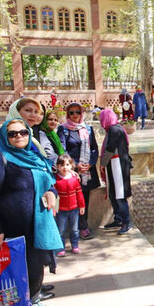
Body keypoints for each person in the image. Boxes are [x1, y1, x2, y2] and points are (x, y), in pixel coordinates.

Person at [0, 119, 59, 306]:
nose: (19, 136)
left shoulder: (34, 156)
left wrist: (51, 192)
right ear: (5, 137)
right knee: (12, 269)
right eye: (12, 134)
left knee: (34, 265)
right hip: (11, 227)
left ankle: (30, 303)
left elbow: (48, 180)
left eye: (23, 132)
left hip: (36, 225)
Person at [58, 103, 100, 240]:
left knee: (84, 200)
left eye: (78, 112)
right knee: (71, 200)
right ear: (67, 114)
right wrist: (75, 165)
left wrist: (90, 164)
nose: (75, 115)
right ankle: (70, 229)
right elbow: (63, 150)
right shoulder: (63, 130)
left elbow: (94, 149)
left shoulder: (88, 129)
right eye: (72, 112)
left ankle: (83, 227)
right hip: (71, 171)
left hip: (87, 172)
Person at [98, 109, 133, 235]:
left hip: (117, 165)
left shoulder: (114, 130)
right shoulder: (116, 129)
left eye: (101, 118)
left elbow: (110, 149)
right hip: (115, 165)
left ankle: (126, 222)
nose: (100, 121)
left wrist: (102, 164)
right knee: (114, 193)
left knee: (119, 195)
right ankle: (118, 219)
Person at [54, 154, 85, 257]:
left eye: (67, 165)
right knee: (60, 229)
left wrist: (82, 206)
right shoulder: (55, 180)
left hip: (74, 208)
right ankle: (60, 248)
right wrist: (54, 208)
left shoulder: (74, 178)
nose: (65, 167)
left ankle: (75, 245)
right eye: (62, 165)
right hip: (61, 210)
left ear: (71, 166)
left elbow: (79, 193)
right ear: (57, 166)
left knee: (74, 229)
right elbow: (54, 196)